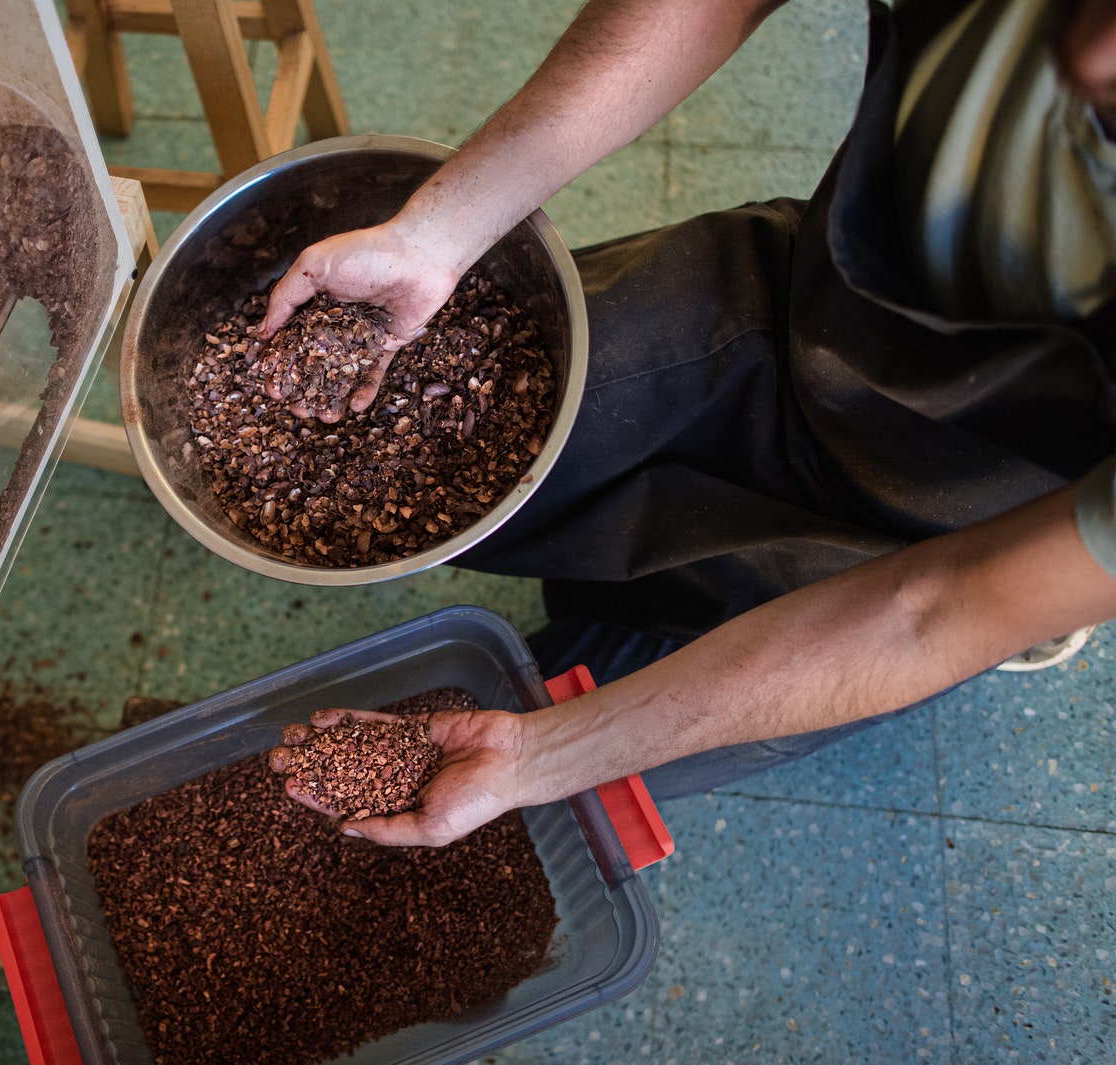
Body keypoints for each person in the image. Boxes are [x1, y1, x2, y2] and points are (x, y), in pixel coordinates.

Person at [263, 0, 1116, 847]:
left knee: (527, 777)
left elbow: (926, 614)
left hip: (948, 536)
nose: (1093, 52)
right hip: (786, 308)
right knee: (396, 469)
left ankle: (1059, 576)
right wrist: (440, 233)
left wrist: (534, 754)